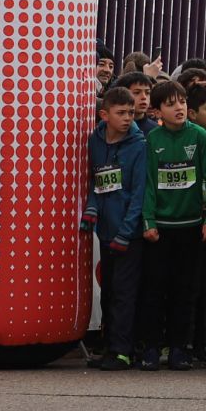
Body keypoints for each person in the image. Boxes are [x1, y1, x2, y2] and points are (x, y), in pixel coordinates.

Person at [138, 80, 206, 371]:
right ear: (157, 110)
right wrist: (147, 221)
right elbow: (146, 184)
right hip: (159, 228)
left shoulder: (198, 137)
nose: (179, 108)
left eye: (182, 102)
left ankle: (178, 348)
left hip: (191, 227)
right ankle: (150, 348)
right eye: (171, 104)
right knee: (154, 290)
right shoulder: (152, 140)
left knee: (184, 291)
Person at [83, 86, 147, 371]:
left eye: (131, 113)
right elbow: (97, 180)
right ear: (104, 114)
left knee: (124, 291)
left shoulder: (139, 145)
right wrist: (91, 207)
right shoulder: (94, 141)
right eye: (121, 113)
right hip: (105, 230)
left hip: (127, 233)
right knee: (108, 290)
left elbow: (139, 193)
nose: (128, 118)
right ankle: (110, 345)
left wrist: (127, 230)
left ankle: (123, 350)